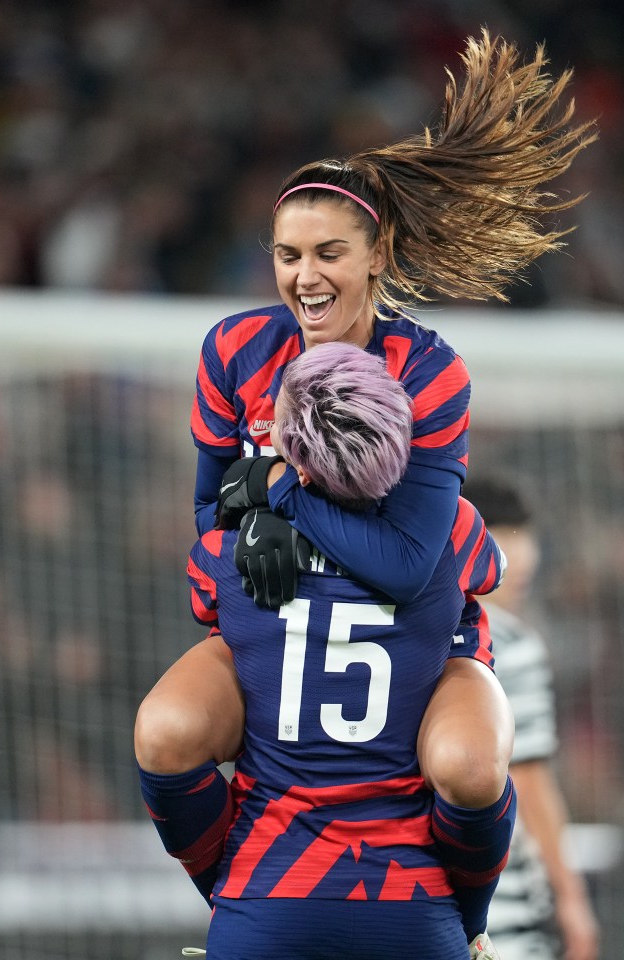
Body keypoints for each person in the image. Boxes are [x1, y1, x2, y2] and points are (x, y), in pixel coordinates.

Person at [134, 30, 595, 950]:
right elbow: (205, 514)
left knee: (468, 764)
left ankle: (467, 929)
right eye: (286, 254)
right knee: (167, 730)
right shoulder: (233, 351)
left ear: (377, 251)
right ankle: (241, 892)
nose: (305, 277)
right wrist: (240, 539)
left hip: (416, 630)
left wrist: (278, 503)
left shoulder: (433, 372)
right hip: (284, 624)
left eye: (329, 253)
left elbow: (413, 557)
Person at [181, 342, 508, 959]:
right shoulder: (456, 533)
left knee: (166, 738)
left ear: (297, 465)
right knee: (476, 764)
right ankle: (475, 932)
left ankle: (217, 895)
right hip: (412, 903)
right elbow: (489, 569)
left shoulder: (226, 558)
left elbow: (204, 598)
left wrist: (267, 503)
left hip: (266, 897)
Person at [462, 474, 601, 960]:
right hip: (497, 903)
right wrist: (571, 897)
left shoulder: (411, 628)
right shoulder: (510, 643)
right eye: (504, 537)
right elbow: (529, 781)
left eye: (527, 537)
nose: (522, 556)